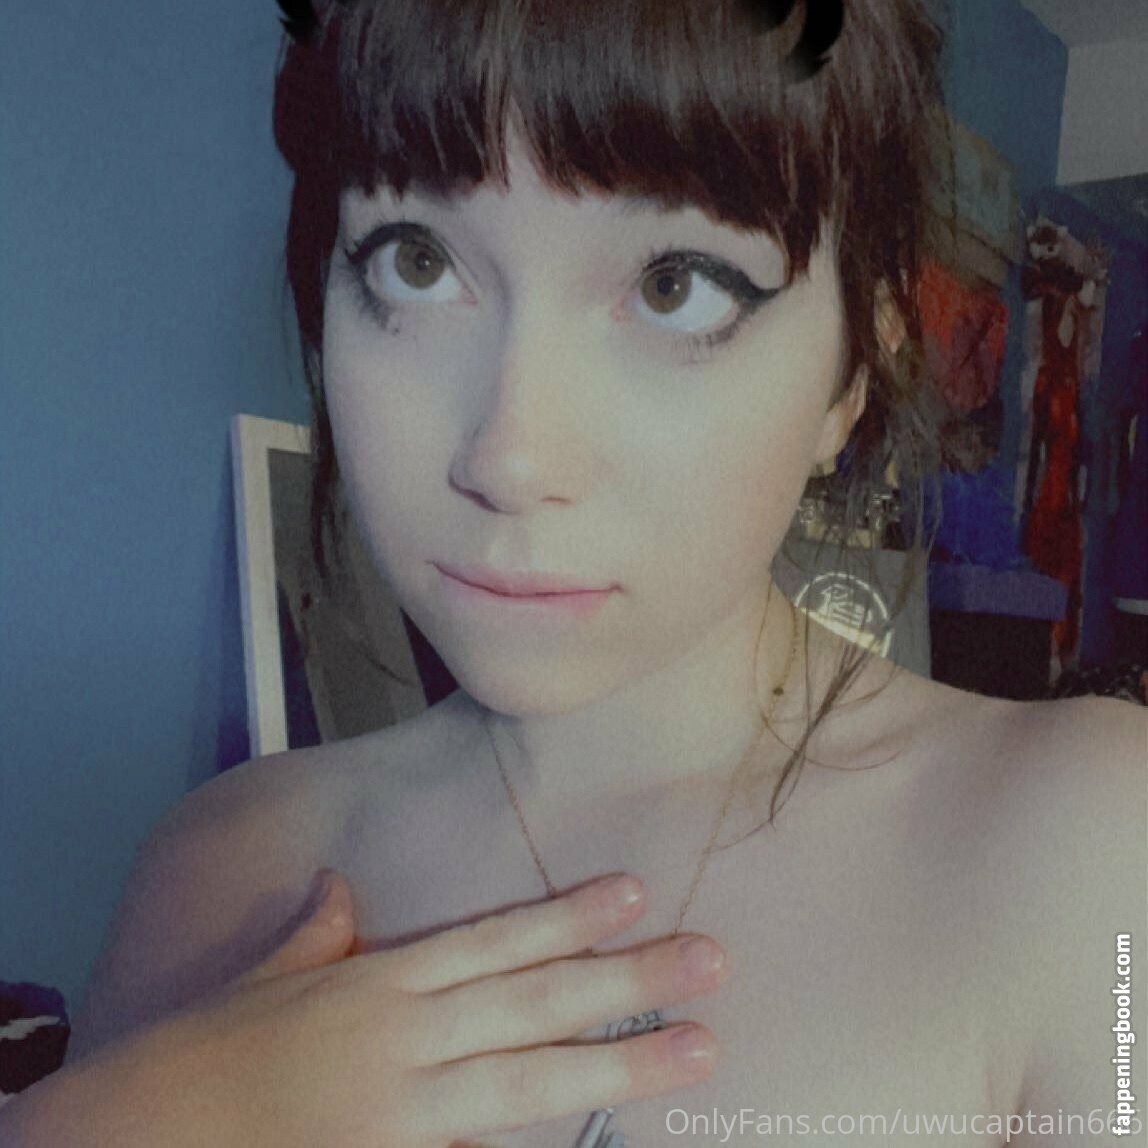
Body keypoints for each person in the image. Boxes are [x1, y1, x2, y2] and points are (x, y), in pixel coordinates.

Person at [4, 0, 1145, 1144]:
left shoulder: (1091, 847)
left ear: (853, 368)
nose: (509, 458)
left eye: (675, 284)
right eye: (415, 261)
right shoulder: (215, 872)